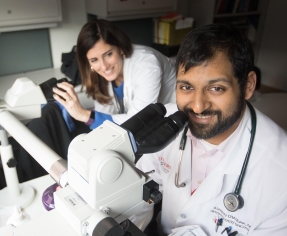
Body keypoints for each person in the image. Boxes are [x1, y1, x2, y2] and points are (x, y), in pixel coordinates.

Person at [130, 23, 287, 235]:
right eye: (186, 87)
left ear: (248, 85)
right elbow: (138, 190)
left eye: (216, 88)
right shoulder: (164, 124)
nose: (197, 106)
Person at [15, 19, 177, 180]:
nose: (104, 66)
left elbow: (139, 121)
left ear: (120, 48)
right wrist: (78, 112)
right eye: (94, 60)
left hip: (160, 130)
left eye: (108, 54)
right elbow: (103, 117)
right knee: (47, 116)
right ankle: (32, 178)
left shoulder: (146, 64)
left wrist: (85, 115)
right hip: (127, 128)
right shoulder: (100, 74)